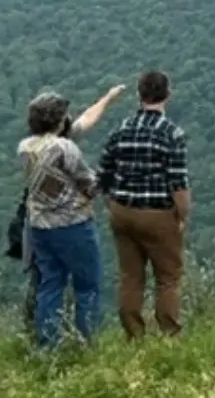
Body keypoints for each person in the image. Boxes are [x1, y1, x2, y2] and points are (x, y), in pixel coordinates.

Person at [19, 85, 125, 335]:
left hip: (39, 227)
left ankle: (47, 343)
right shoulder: (65, 149)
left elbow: (83, 122)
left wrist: (106, 99)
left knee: (50, 284)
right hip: (73, 225)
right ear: (58, 119)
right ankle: (85, 340)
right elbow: (90, 184)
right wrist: (110, 176)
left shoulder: (26, 147)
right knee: (87, 285)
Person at [98, 70, 192, 339]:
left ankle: (134, 337)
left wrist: (113, 205)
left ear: (139, 96)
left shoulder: (121, 129)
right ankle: (169, 335)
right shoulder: (171, 134)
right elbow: (179, 183)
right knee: (168, 278)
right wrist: (182, 215)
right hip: (158, 215)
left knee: (130, 277)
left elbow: (103, 174)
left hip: (122, 211)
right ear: (168, 95)